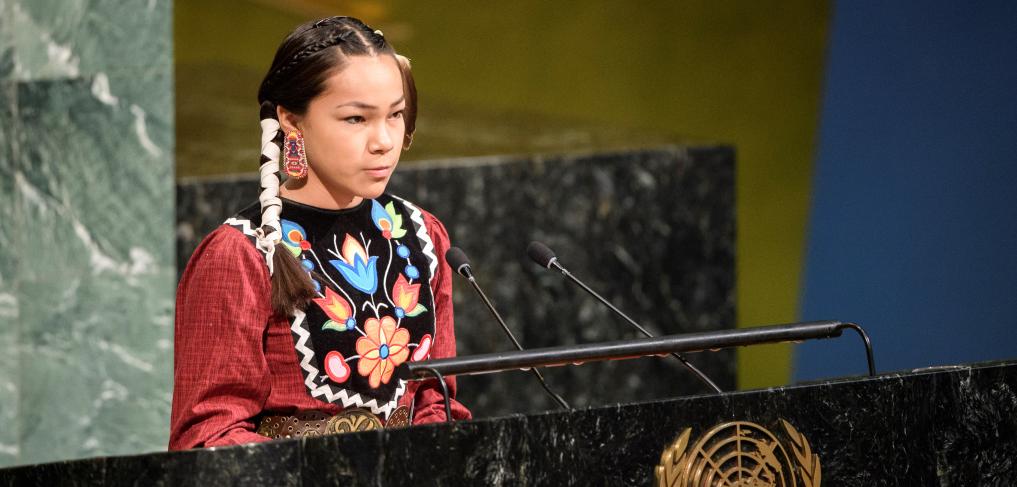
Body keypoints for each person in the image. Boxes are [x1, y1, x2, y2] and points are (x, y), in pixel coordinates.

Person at [169, 16, 471, 450]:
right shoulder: (241, 254)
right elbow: (208, 437)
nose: (384, 140)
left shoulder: (422, 235)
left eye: (396, 115)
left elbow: (436, 402)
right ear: (292, 121)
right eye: (355, 119)